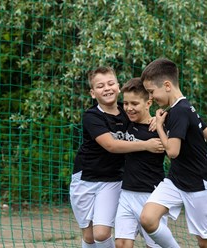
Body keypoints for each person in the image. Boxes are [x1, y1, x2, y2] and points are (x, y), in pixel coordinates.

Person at [69, 67, 164, 248]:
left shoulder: (127, 111)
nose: (107, 88)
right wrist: (146, 145)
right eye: (100, 85)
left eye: (111, 83)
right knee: (89, 237)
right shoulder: (92, 116)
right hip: (85, 179)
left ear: (118, 87)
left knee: (102, 233)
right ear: (92, 92)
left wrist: (156, 119)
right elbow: (111, 145)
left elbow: (144, 112)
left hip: (112, 179)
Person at [139, 58, 207, 248]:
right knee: (148, 218)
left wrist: (160, 126)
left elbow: (173, 152)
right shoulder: (186, 107)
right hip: (176, 181)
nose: (151, 98)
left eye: (152, 92)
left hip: (199, 186)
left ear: (167, 85)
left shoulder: (179, 112)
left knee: (205, 243)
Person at [114, 77, 167, 248]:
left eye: (134, 104)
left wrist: (161, 120)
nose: (129, 108)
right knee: (121, 243)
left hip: (152, 196)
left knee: (154, 246)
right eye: (126, 103)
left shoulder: (160, 128)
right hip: (127, 193)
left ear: (148, 103)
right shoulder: (126, 122)